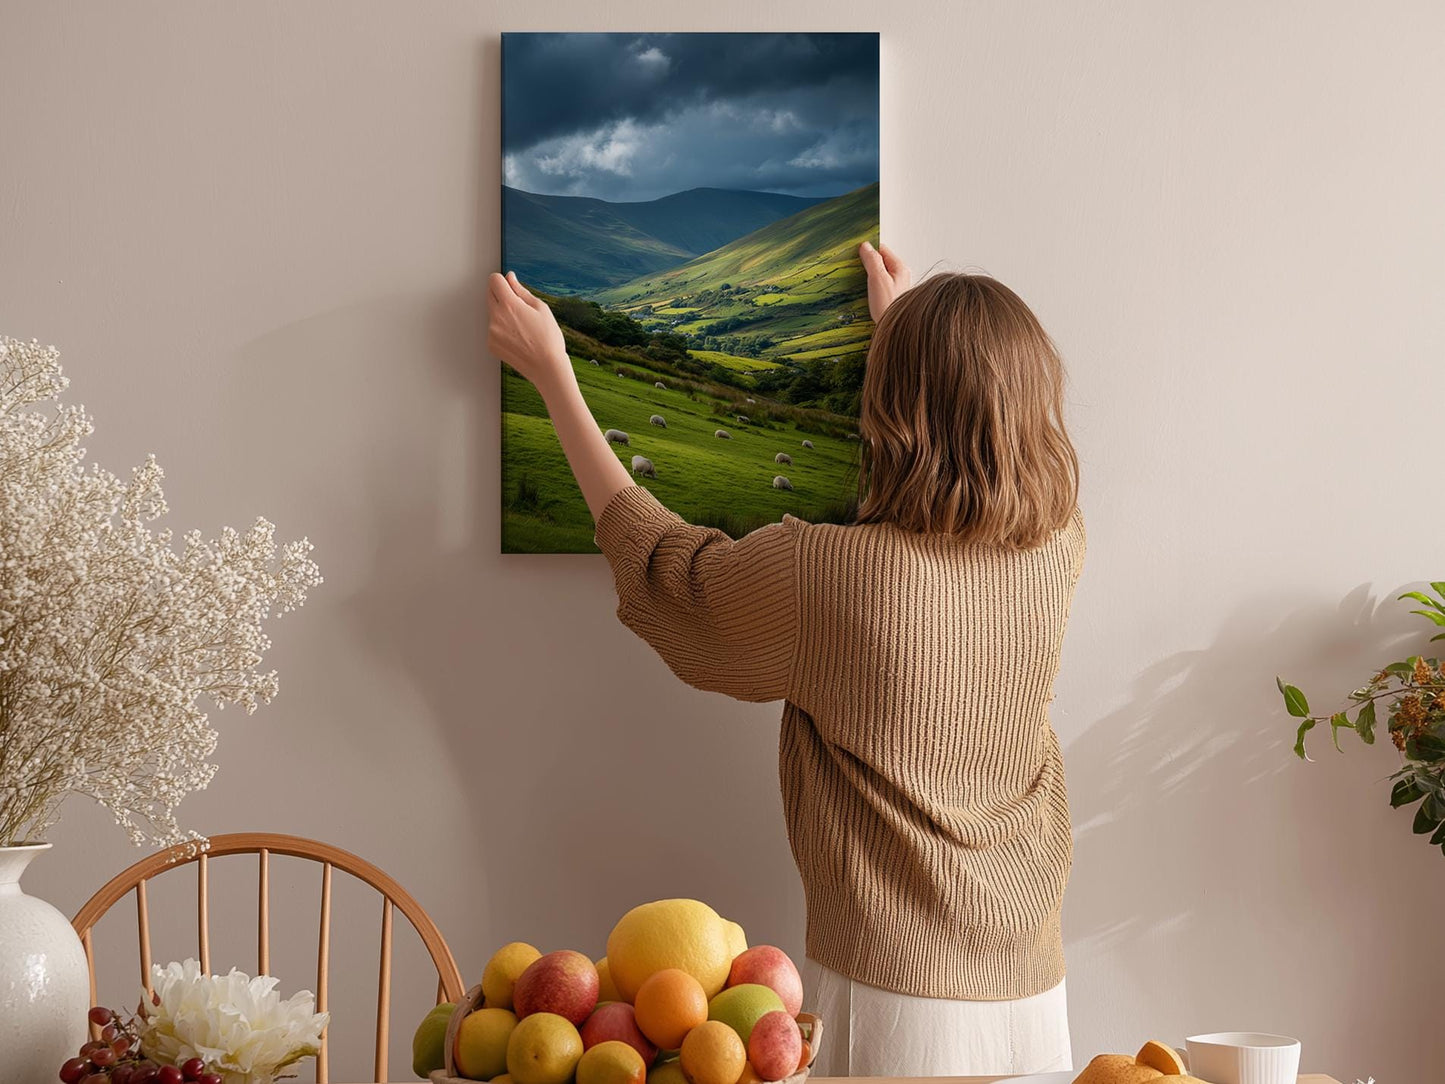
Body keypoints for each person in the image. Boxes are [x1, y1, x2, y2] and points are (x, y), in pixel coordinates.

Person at [486, 241, 1084, 1076]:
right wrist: (902, 336)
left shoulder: (828, 574)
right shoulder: (1056, 547)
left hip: (893, 994)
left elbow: (669, 572)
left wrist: (554, 376)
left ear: (893, 405)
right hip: (1032, 984)